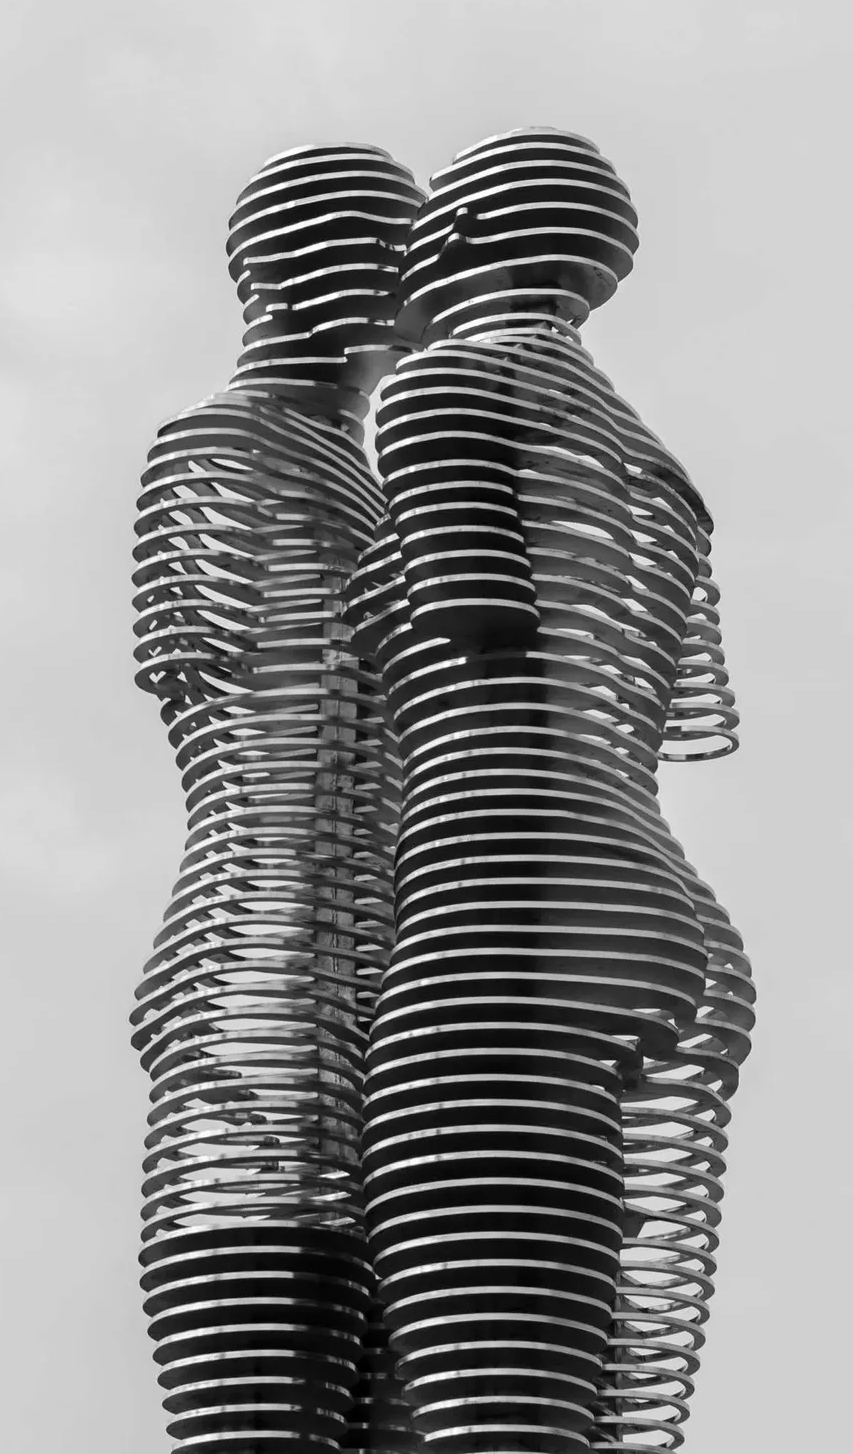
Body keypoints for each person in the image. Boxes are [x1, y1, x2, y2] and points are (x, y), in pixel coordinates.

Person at [351, 129, 752, 1454]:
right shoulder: (650, 461)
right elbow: (661, 692)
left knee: (457, 1341)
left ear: (454, 238)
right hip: (644, 871)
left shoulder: (440, 392)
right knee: (558, 1374)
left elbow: (478, 624)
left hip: (499, 858)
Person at [130, 143, 425, 1451]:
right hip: (268, 1004)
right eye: (384, 258)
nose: (408, 295)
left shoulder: (377, 495)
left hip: (380, 1011)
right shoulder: (218, 449)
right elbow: (249, 745)